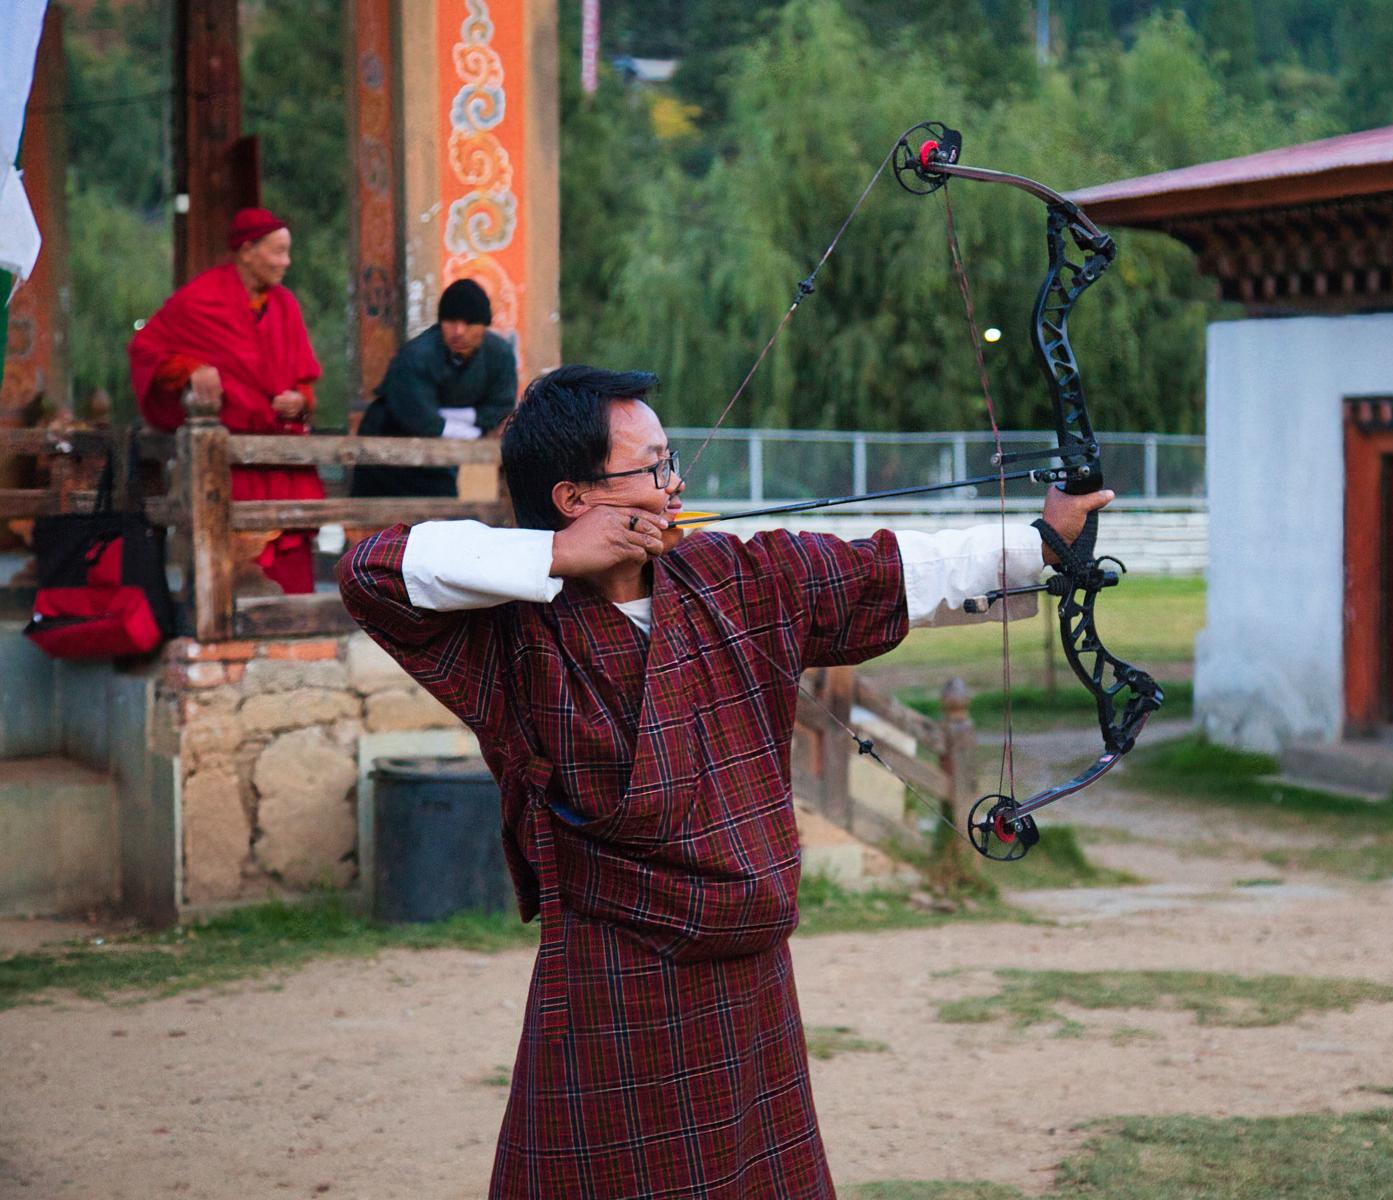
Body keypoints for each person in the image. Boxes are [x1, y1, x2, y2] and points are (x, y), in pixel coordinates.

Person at [338, 365, 1101, 1199]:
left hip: (749, 970)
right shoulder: (512, 626)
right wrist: (557, 556)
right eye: (654, 466)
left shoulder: (736, 576)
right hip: (614, 977)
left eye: (672, 461)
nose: (677, 484)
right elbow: (371, 571)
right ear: (572, 497)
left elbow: (888, 571)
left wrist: (1044, 539)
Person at [128, 207, 323, 594]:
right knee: (229, 567)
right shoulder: (202, 297)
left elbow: (306, 383)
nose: (286, 262)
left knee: (291, 565)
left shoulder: (285, 305)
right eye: (278, 251)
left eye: (287, 252)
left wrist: (300, 400)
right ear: (247, 250)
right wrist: (191, 368)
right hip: (229, 462)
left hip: (282, 458)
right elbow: (145, 349)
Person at [349, 279, 516, 498]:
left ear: (484, 326)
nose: (458, 331)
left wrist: (454, 418)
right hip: (389, 446)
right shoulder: (416, 356)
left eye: (469, 323)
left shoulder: (500, 355)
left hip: (439, 460)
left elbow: (500, 406)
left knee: (441, 511)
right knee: (375, 518)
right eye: (451, 322)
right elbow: (420, 419)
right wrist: (474, 432)